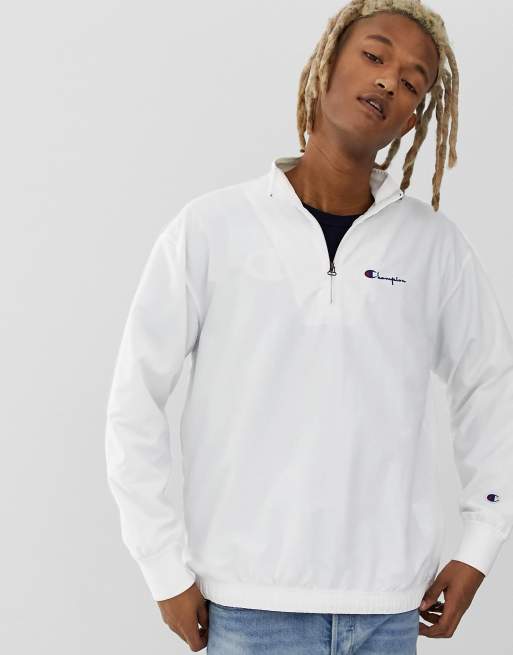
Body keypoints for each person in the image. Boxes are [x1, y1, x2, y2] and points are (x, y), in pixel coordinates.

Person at [104, 1, 513, 652]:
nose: (389, 80)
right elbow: (135, 398)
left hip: (387, 610)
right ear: (325, 65)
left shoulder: (434, 247)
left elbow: (491, 385)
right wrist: (161, 566)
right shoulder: (211, 229)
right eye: (374, 55)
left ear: (413, 117)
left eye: (413, 82)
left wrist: (481, 540)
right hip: (248, 608)